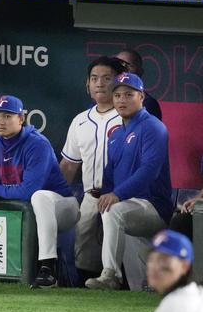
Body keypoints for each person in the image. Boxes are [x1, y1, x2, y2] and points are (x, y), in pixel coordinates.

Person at [0, 95, 78, 289]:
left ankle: (48, 268)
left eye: (7, 116)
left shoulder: (37, 144)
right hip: (29, 210)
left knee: (38, 197)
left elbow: (29, 191)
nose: (0, 121)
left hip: (62, 206)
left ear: (21, 119)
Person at [86, 73, 173, 291]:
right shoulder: (117, 134)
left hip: (152, 206)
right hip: (129, 207)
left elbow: (149, 171)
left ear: (141, 96)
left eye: (128, 94)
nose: (122, 100)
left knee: (113, 210)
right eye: (117, 95)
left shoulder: (153, 127)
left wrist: (116, 195)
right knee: (141, 287)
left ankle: (110, 274)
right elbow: (109, 173)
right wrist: (105, 196)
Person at [59, 56, 126, 281]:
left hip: (123, 197)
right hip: (91, 196)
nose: (99, 83)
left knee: (124, 259)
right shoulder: (80, 120)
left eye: (107, 78)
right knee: (83, 258)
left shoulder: (129, 117)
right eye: (94, 78)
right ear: (87, 84)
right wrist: (56, 196)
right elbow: (69, 165)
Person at [114, 48, 163, 120]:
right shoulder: (102, 102)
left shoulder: (147, 104)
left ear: (140, 72)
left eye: (129, 66)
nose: (122, 71)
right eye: (118, 66)